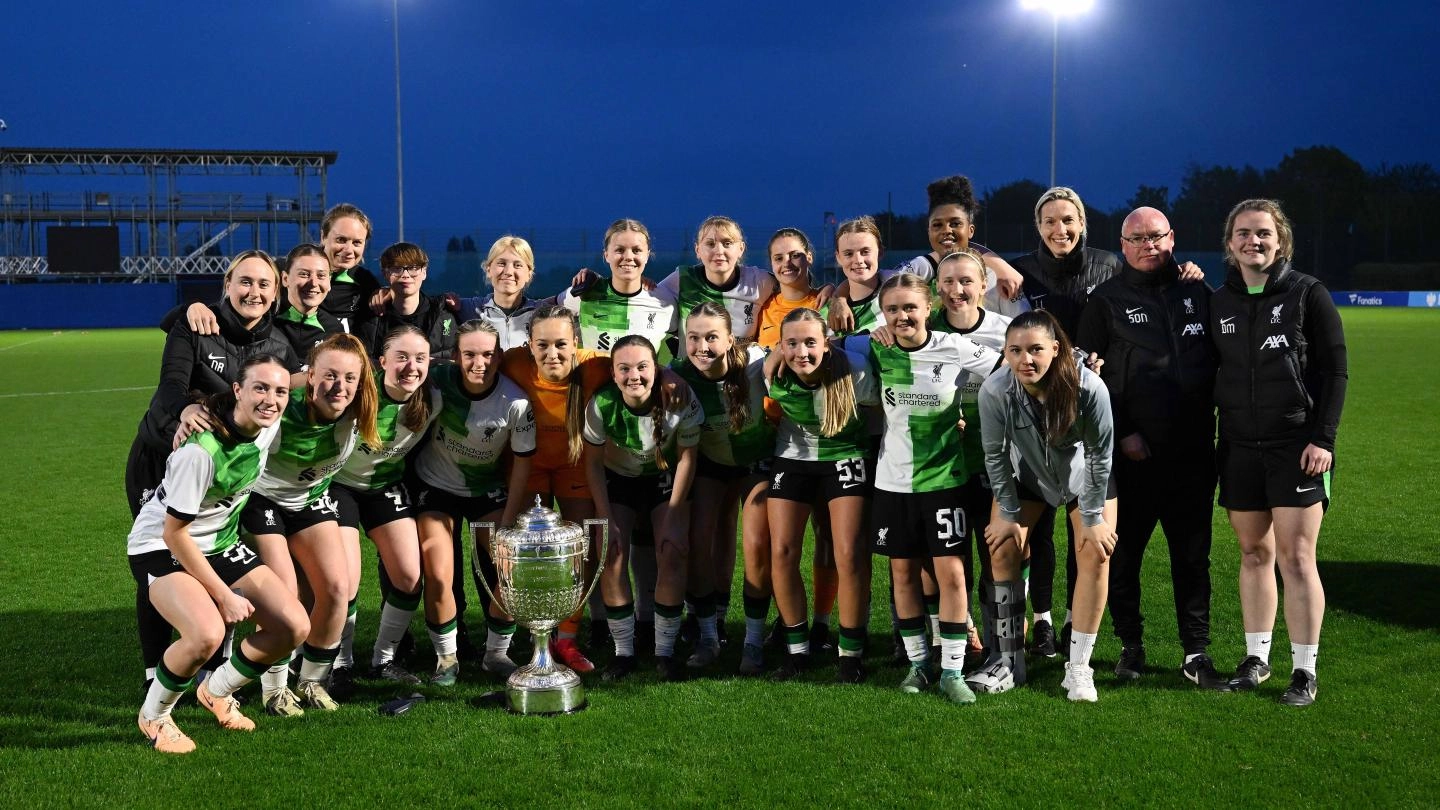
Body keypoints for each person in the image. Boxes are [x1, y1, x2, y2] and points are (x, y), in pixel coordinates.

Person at [125, 250, 301, 692]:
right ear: (226, 284)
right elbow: (170, 386)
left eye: (264, 285)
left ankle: (213, 666)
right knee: (163, 564)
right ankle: (156, 672)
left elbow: (297, 386)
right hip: (162, 456)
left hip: (224, 467)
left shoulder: (279, 344)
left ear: (276, 293)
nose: (253, 292)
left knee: (218, 555)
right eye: (244, 282)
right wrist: (187, 408)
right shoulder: (197, 323)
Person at [1076, 207, 1227, 689]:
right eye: (1137, 238)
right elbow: (1087, 380)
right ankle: (1130, 646)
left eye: (1156, 237)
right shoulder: (1105, 300)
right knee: (1125, 556)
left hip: (1194, 453)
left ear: (1171, 238)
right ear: (1122, 245)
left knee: (1192, 557)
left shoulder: (1196, 290)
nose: (1148, 246)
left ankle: (1196, 651)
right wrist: (1124, 433)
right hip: (1133, 456)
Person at [128, 354, 309, 754]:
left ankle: (217, 691)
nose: (272, 399)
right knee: (205, 634)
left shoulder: (267, 420)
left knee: (293, 626)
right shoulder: (202, 451)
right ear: (238, 390)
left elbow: (302, 379)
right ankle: (154, 716)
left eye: (279, 391)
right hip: (161, 544)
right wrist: (224, 595)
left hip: (220, 541)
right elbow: (174, 533)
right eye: (260, 388)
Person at [1210, 199, 1347, 706]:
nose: (1254, 241)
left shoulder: (1308, 293)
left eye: (1263, 233)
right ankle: (1256, 659)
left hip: (1297, 446)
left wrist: (1323, 439)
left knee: (1296, 556)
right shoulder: (1218, 300)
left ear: (1280, 240)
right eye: (1243, 233)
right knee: (1253, 553)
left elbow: (1336, 371)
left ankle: (1304, 671)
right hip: (1240, 446)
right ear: (1230, 244)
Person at [856, 272, 1000, 703]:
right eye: (893, 309)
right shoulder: (875, 347)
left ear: (928, 308)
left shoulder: (952, 347)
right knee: (903, 573)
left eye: (910, 307)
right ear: (884, 314)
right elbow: (824, 344)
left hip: (944, 479)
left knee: (951, 573)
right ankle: (920, 664)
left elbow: (1005, 367)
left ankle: (952, 671)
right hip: (892, 481)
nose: (902, 316)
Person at [977, 311, 1117, 702]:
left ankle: (1078, 668)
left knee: (1095, 553)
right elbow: (994, 455)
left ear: (1056, 350)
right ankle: (1007, 661)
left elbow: (1099, 456)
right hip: (1028, 478)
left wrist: (1091, 519)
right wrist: (1006, 511)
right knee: (1002, 548)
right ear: (1005, 353)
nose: (1026, 360)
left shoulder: (1089, 387)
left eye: (1036, 349)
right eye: (1016, 351)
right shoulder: (995, 391)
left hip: (1083, 479)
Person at [236, 333, 380, 711]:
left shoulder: (360, 403)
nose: (341, 386)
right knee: (284, 592)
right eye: (330, 376)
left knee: (337, 587)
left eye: (350, 378)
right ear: (310, 376)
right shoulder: (281, 410)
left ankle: (312, 682)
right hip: (262, 499)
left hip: (310, 499)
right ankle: (274, 689)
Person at [1008, 186, 1122, 657]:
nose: (1060, 229)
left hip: (1088, 404)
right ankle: (1043, 621)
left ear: (1083, 223)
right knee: (1037, 531)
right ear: (1038, 227)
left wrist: (1187, 269)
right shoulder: (1020, 271)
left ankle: (1077, 621)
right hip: (1033, 409)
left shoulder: (1109, 264)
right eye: (1050, 221)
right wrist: (994, 262)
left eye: (1069, 220)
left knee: (1086, 529)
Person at [410, 320, 536, 681]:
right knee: (438, 569)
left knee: (512, 567)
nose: (479, 363)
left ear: (499, 356)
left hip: (487, 491)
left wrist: (510, 521)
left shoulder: (516, 402)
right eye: (469, 354)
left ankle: (496, 655)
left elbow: (522, 467)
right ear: (455, 357)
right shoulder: (438, 384)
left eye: (487, 354)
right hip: (437, 488)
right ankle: (446, 660)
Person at [765, 308, 879, 683]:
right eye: (792, 344)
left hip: (845, 455)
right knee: (781, 551)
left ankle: (850, 655)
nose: (802, 352)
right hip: (793, 458)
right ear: (779, 346)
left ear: (826, 344)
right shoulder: (769, 373)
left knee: (849, 552)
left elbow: (892, 404)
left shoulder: (856, 371)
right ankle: (797, 651)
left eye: (811, 342)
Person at [327, 325, 443, 692]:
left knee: (409, 577)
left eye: (420, 359)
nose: (411, 367)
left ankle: (383, 660)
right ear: (382, 362)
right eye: (402, 358)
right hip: (340, 486)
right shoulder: (356, 393)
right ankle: (339, 664)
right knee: (345, 581)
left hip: (384, 488)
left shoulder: (432, 400)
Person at [499, 304, 614, 673]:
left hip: (575, 465)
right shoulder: (512, 362)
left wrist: (669, 378)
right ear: (529, 345)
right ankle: (530, 630)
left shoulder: (597, 365)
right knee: (523, 553)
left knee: (580, 550)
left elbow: (640, 364)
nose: (552, 354)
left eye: (562, 344)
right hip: (527, 468)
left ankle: (567, 638)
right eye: (543, 345)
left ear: (576, 343)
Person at [582, 335, 703, 681]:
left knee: (673, 549)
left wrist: (677, 512)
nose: (633, 375)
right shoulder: (601, 403)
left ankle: (664, 651)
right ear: (613, 373)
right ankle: (624, 652)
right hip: (618, 479)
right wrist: (605, 517)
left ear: (656, 368)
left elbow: (687, 458)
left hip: (663, 478)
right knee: (611, 551)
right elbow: (592, 465)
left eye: (642, 367)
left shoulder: (679, 398)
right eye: (624, 369)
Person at [673, 302, 775, 673]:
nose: (702, 346)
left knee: (757, 544)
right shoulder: (678, 373)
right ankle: (709, 637)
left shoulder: (754, 360)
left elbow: (794, 348)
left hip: (756, 463)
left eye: (712, 337)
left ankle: (752, 641)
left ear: (731, 338)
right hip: (711, 465)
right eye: (694, 337)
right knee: (698, 542)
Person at [827, 175, 1026, 330]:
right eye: (937, 225)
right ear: (928, 230)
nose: (946, 230)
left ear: (970, 230)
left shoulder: (999, 278)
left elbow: (1024, 329)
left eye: (955, 224)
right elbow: (868, 280)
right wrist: (838, 298)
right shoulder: (919, 269)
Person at [560, 219, 677, 352]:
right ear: (606, 255)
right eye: (620, 250)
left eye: (636, 250)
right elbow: (540, 308)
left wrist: (667, 370)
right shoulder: (584, 292)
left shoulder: (664, 301)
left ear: (647, 255)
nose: (628, 256)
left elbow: (688, 337)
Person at [658, 216, 777, 342]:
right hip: (691, 361)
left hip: (746, 362)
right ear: (697, 250)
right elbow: (648, 299)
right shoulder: (683, 279)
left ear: (741, 249)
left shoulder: (760, 281)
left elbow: (794, 290)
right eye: (710, 244)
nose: (719, 251)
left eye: (727, 243)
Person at [359, 242, 458, 362]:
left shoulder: (444, 315)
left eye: (413, 268)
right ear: (385, 273)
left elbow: (453, 361)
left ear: (424, 272)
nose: (405, 275)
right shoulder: (369, 318)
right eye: (397, 268)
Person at [457, 236, 540, 350]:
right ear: (488, 269)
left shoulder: (542, 313)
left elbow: (571, 298)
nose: (509, 272)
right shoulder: (468, 308)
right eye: (501, 263)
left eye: (518, 265)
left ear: (529, 274)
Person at [317, 203, 382, 334]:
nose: (348, 250)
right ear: (323, 237)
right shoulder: (295, 275)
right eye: (341, 240)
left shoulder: (367, 282)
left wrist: (391, 293)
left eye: (357, 242)